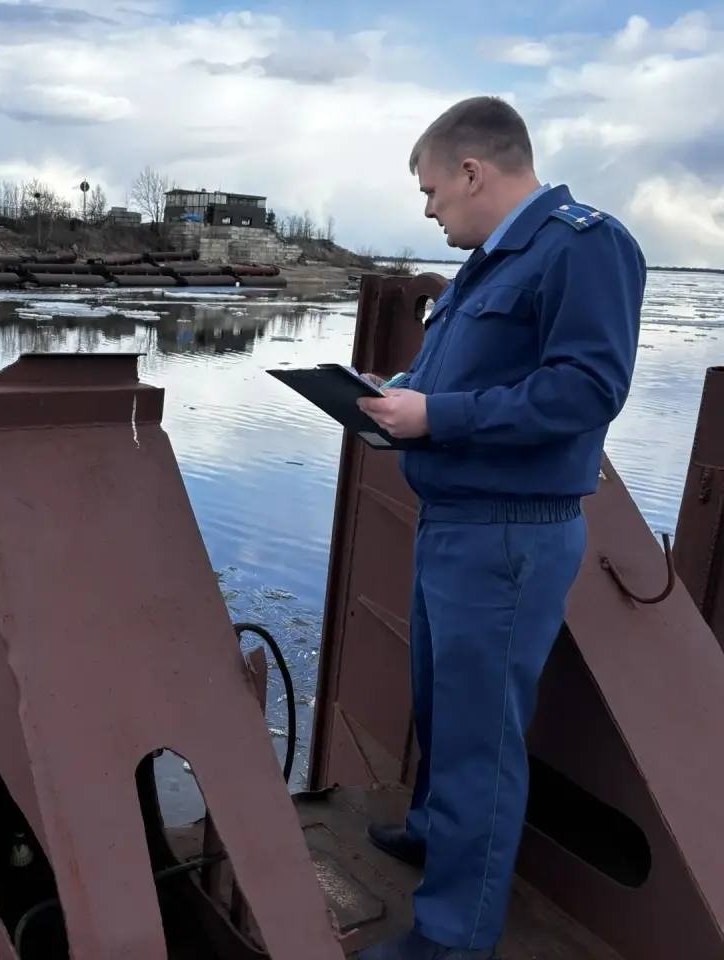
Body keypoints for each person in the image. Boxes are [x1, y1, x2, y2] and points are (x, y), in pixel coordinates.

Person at [354, 97, 645, 959]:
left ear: (476, 172)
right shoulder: (491, 261)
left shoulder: (586, 246)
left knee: (483, 737)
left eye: (434, 189)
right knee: (445, 711)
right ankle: (440, 835)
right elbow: (476, 371)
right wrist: (397, 392)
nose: (429, 207)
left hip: (509, 532)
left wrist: (435, 416)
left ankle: (453, 937)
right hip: (457, 521)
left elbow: (587, 391)